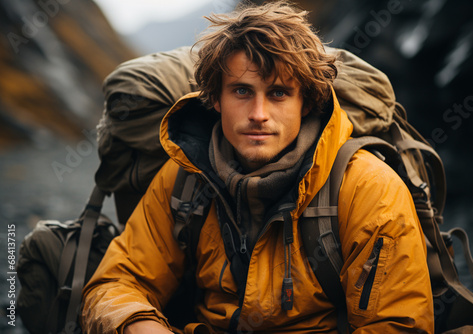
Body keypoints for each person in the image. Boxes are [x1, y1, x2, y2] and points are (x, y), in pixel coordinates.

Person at [81, 1, 433, 333]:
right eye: (242, 91)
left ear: (307, 101)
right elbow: (118, 281)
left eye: (279, 93)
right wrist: (138, 324)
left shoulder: (368, 188)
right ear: (215, 99)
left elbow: (397, 323)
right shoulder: (184, 179)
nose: (259, 114)